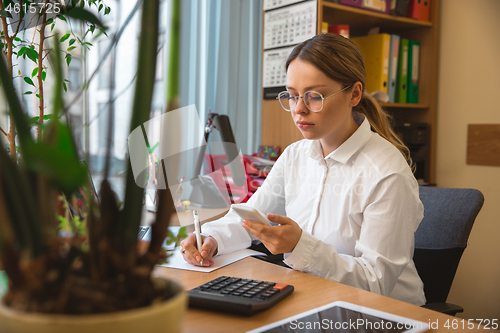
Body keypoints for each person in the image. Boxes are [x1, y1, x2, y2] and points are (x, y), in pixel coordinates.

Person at [180, 33, 426, 306]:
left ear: (354, 94)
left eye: (314, 97)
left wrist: (299, 246)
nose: (299, 109)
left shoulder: (387, 173)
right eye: (293, 96)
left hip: (383, 313)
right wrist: (211, 238)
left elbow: (375, 282)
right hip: (315, 298)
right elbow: (253, 219)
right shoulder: (296, 155)